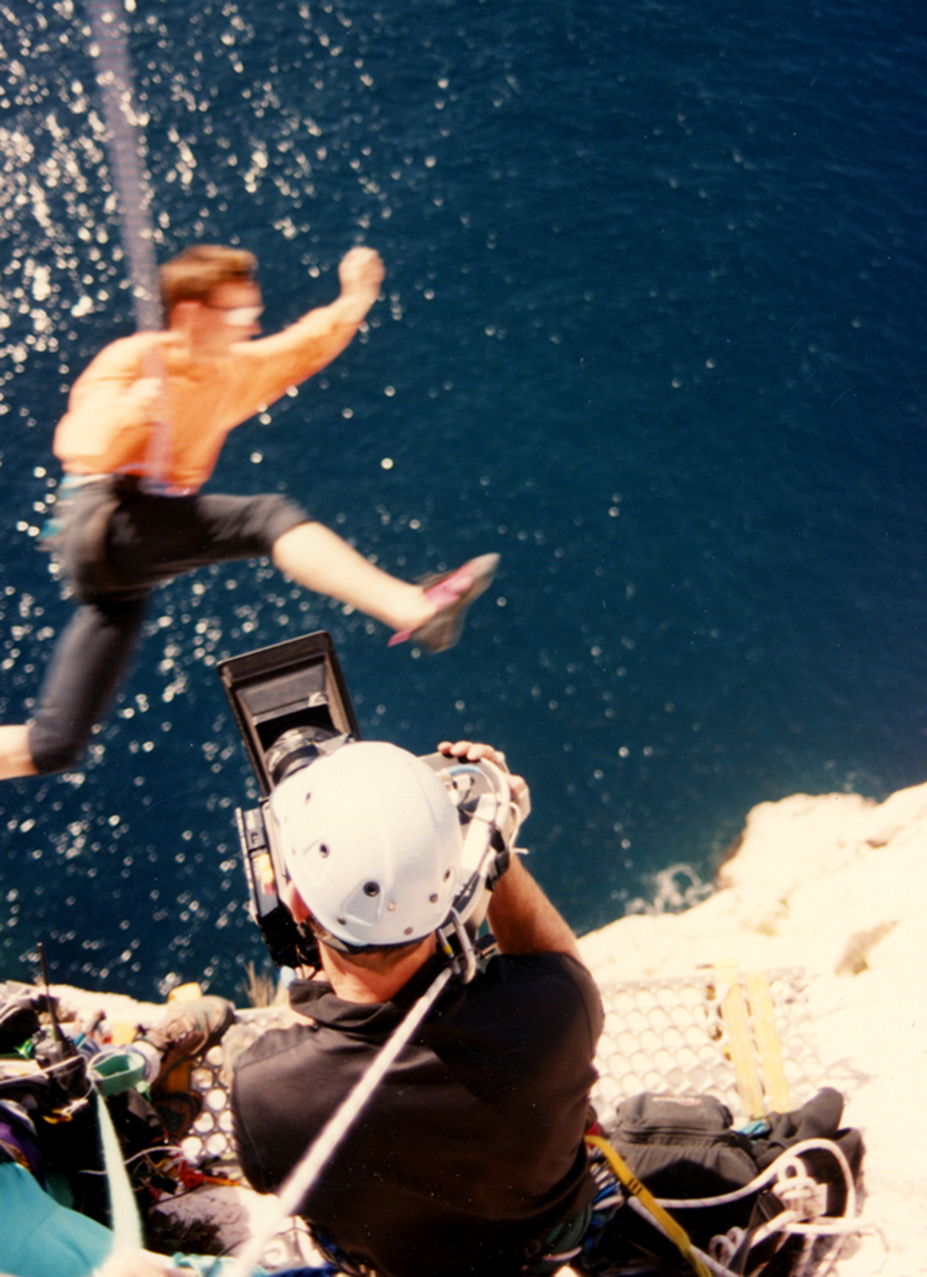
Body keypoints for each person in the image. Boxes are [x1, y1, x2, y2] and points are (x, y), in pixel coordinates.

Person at [0, 246, 498, 780]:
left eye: (253, 312)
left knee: (53, 745)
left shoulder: (231, 372)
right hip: (100, 520)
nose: (252, 324)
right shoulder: (138, 358)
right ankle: (410, 607)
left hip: (122, 574)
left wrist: (357, 296)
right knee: (264, 518)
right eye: (238, 313)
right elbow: (81, 442)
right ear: (191, 315)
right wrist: (135, 410)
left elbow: (303, 346)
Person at [231, 739, 608, 1277]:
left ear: (294, 903)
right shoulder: (555, 1013)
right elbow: (557, 962)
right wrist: (492, 836)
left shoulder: (265, 1091)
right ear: (455, 876)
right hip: (542, 1252)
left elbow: (272, 1172)